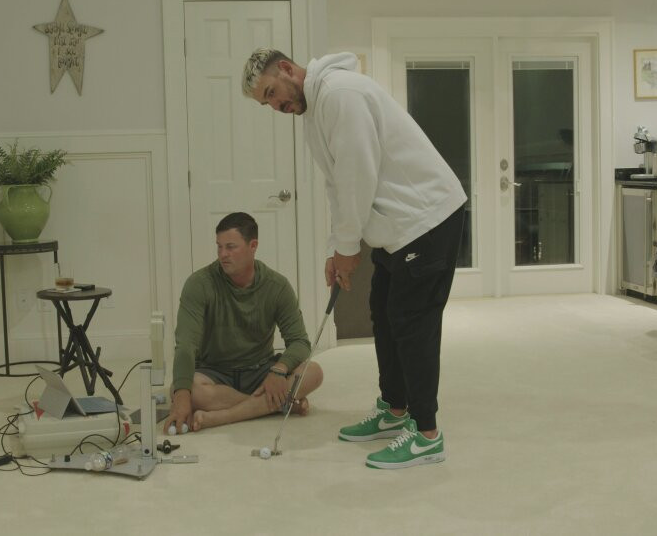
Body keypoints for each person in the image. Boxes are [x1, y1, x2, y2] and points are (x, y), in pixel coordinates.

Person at [242, 48, 467, 469]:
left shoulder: (340, 94)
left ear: (287, 70)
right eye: (266, 103)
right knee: (383, 311)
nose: (275, 106)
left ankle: (427, 435)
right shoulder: (315, 111)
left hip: (426, 218)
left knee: (412, 323)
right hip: (396, 227)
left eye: (272, 93)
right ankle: (395, 409)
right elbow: (337, 185)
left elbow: (357, 176)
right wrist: (338, 247)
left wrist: (348, 249)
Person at [164, 212, 322, 434]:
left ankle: (223, 416)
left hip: (260, 371)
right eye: (219, 247)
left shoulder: (277, 286)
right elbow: (185, 344)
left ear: (253, 246)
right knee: (189, 389)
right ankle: (279, 404)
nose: (223, 254)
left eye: (231, 247)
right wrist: (181, 397)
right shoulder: (199, 284)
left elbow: (300, 342)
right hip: (214, 371)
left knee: (313, 372)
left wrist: (279, 370)